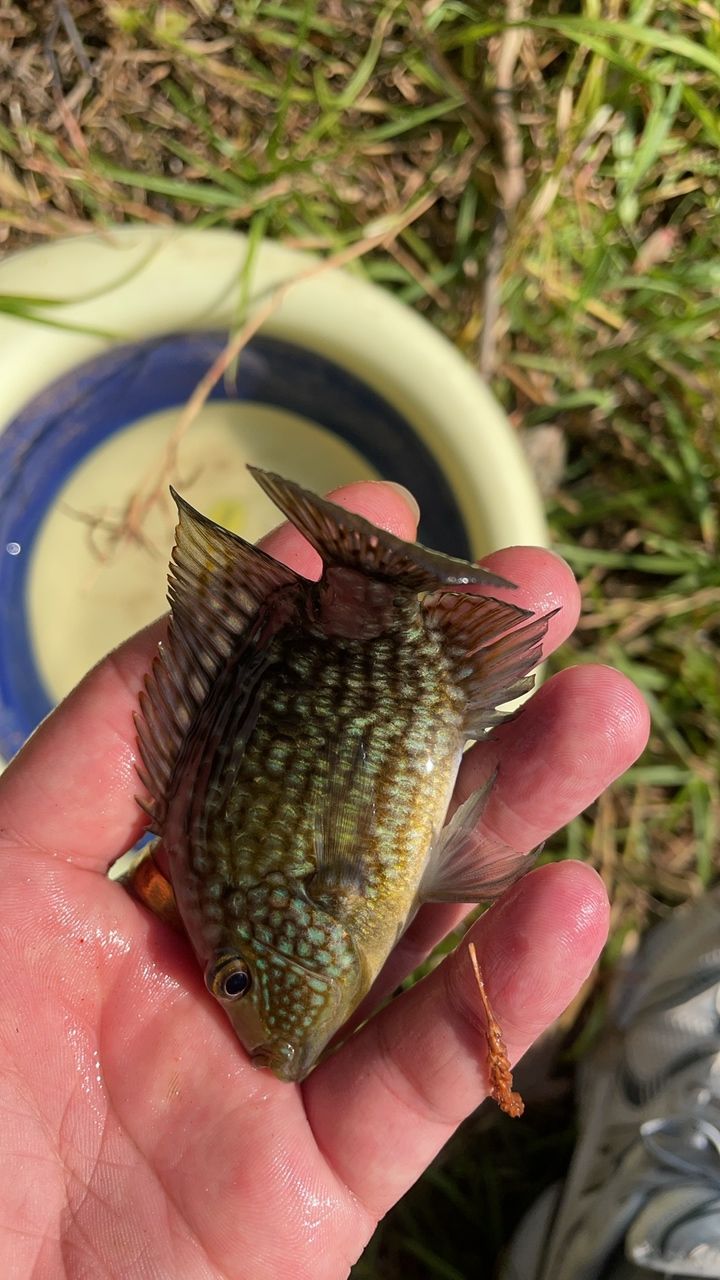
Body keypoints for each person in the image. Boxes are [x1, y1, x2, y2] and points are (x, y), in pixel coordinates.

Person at [0, 480, 649, 1279]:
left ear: (294, 909)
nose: (251, 1021)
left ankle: (366, 579)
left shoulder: (289, 885)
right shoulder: (249, 888)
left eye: (236, 979)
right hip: (411, 679)